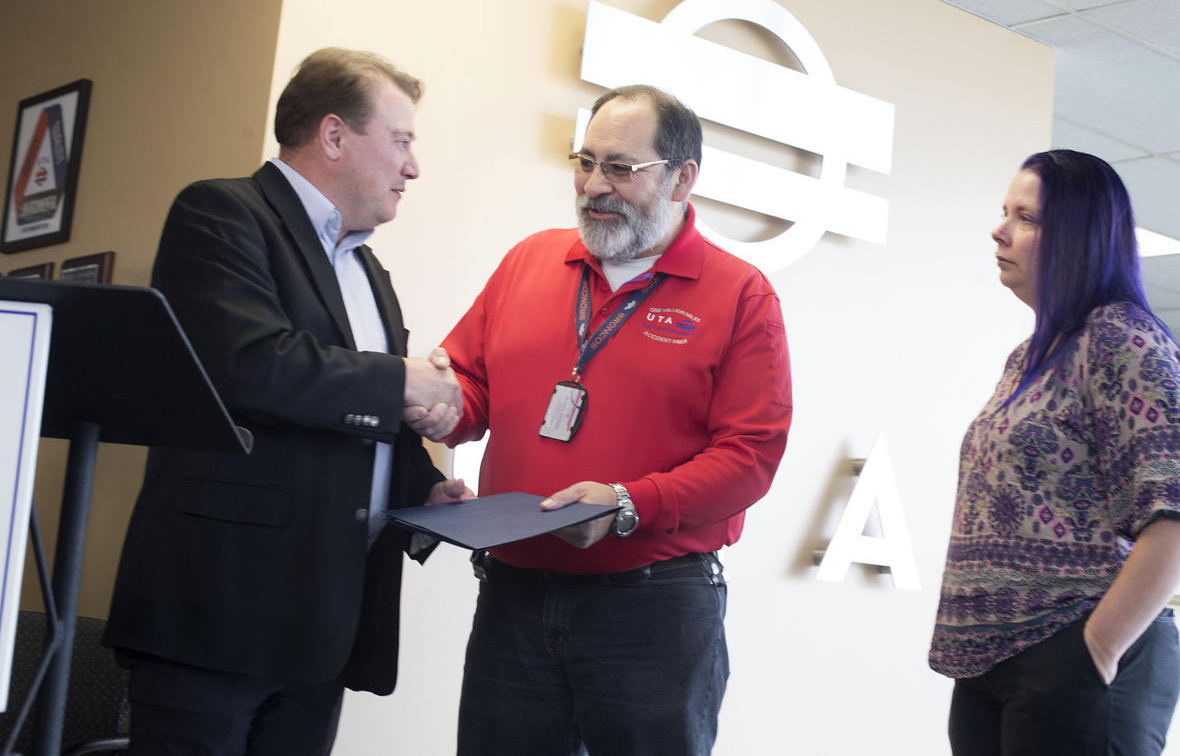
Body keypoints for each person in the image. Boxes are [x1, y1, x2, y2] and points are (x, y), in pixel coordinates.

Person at [104, 47, 472, 755]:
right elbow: (250, 364)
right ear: (333, 136)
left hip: (324, 628)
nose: (413, 166)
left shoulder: (371, 270)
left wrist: (424, 489)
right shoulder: (220, 213)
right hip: (215, 613)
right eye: (401, 141)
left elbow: (364, 426)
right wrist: (402, 379)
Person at [424, 84, 793, 755]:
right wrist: (435, 403)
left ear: (684, 178)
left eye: (620, 167)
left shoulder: (741, 293)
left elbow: (750, 456)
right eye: (584, 161)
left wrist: (629, 503)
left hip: (651, 612)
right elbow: (469, 384)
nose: (594, 184)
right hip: (513, 598)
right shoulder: (529, 260)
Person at [929, 149, 1180, 755]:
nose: (1000, 230)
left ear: (1080, 236)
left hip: (1073, 650)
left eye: (1026, 218)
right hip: (991, 659)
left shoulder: (1124, 338)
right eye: (1004, 213)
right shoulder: (1030, 356)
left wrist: (1097, 648)